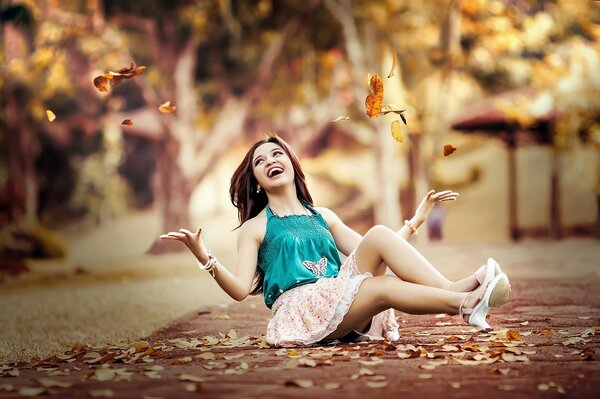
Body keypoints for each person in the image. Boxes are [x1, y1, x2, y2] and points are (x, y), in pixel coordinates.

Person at [160, 136, 511, 347]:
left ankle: (459, 289)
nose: (270, 161)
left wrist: (415, 222)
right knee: (378, 287)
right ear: (255, 182)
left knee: (375, 238)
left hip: (339, 296)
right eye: (260, 161)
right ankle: (465, 303)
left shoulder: (323, 215)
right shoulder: (255, 228)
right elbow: (239, 289)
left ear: (293, 165)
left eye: (277, 154)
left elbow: (379, 250)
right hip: (302, 310)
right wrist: (204, 256)